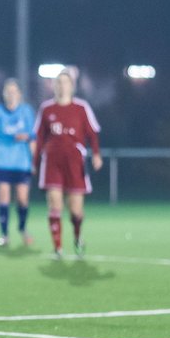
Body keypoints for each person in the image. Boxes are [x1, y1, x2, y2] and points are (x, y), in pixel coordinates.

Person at [33, 69, 102, 259]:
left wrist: (96, 154)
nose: (62, 86)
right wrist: (34, 161)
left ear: (72, 86)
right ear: (54, 86)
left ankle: (77, 237)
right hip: (53, 162)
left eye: (65, 82)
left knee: (76, 211)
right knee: (55, 205)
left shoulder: (81, 108)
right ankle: (58, 248)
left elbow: (92, 133)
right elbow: (38, 137)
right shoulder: (46, 109)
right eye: (58, 82)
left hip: (74, 162)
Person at [0, 78, 36, 248]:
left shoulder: (26, 111)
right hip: (2, 161)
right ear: (3, 94)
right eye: (8, 91)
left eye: (14, 91)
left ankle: (22, 229)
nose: (11, 94)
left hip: (22, 162)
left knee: (22, 199)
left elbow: (33, 136)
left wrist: (34, 159)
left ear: (20, 94)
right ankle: (4, 234)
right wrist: (13, 137)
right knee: (4, 196)